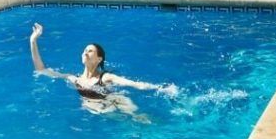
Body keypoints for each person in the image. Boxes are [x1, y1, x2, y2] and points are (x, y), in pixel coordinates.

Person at [28, 22, 177, 117]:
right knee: (93, 108)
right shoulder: (73, 79)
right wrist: (33, 41)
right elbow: (41, 70)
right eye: (85, 50)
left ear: (99, 59)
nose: (86, 52)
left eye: (90, 51)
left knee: (139, 118)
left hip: (115, 99)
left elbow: (133, 84)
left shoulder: (105, 77)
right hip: (96, 107)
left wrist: (161, 88)